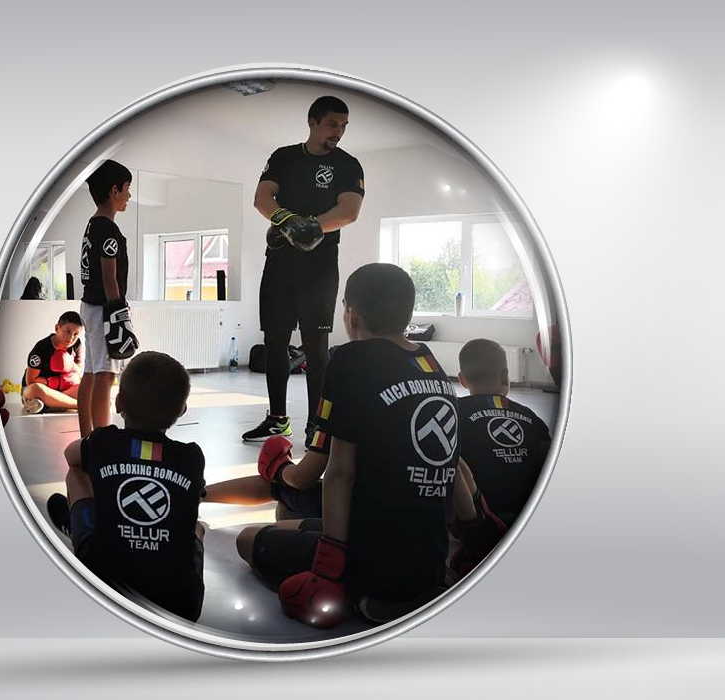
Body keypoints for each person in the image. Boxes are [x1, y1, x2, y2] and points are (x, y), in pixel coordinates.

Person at [236, 264, 479, 628]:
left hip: (370, 563)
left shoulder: (350, 359)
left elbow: (339, 473)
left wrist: (329, 563)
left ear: (351, 315)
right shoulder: (428, 361)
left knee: (246, 538)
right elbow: (451, 462)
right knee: (291, 519)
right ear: (408, 314)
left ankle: (361, 595)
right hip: (429, 561)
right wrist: (475, 534)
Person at [242, 96, 366, 441]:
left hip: (319, 266)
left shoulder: (348, 164)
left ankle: (317, 424)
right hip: (280, 262)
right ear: (312, 123)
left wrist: (309, 227)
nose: (338, 132)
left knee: (316, 347)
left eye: (343, 126)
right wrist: (287, 221)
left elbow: (349, 211)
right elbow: (262, 198)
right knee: (275, 343)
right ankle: (277, 418)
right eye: (332, 124)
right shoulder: (284, 157)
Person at [59, 351, 209, 620]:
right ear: (182, 410)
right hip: (182, 605)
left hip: (102, 587)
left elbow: (70, 455)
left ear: (118, 403)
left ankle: (80, 522)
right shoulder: (191, 457)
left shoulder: (104, 442)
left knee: (76, 473)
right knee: (196, 528)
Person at [445, 339, 552, 576]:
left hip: (480, 515)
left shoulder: (452, 412)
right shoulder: (530, 416)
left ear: (462, 380)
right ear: (505, 376)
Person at [78, 160, 133, 437]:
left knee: (90, 373)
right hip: (103, 309)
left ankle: (87, 437)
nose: (129, 195)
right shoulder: (109, 230)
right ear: (114, 191)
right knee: (105, 374)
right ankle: (101, 439)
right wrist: (118, 316)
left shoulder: (93, 224)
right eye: (127, 188)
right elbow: (109, 277)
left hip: (89, 306)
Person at [21, 311, 84, 414]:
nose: (71, 338)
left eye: (76, 334)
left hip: (63, 390)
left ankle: (49, 405)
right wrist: (54, 382)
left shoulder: (77, 344)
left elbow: (79, 372)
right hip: (42, 389)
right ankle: (79, 405)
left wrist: (71, 366)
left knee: (86, 386)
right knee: (35, 389)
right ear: (57, 328)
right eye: (67, 331)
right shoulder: (41, 347)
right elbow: (31, 381)